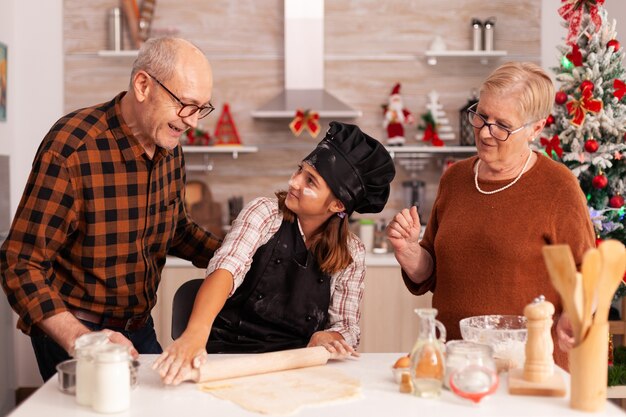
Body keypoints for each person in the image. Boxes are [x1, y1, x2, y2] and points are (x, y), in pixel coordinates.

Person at [0, 37, 222, 381]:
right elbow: (20, 262)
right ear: (143, 85)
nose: (192, 122)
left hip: (139, 328)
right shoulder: (72, 148)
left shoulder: (169, 146)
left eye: (201, 108)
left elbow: (175, 228)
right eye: (186, 105)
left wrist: (237, 256)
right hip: (78, 331)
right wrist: (82, 341)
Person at [386, 62, 595, 368]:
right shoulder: (454, 178)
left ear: (535, 128)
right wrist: (409, 251)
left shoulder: (558, 187)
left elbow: (588, 273)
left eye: (502, 125)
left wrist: (575, 313)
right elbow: (431, 274)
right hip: (455, 364)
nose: (485, 133)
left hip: (526, 370)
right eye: (481, 116)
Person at [153, 121, 396, 385]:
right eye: (300, 170)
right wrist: (195, 335)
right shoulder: (265, 213)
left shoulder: (352, 253)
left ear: (337, 204)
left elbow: (347, 326)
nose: (294, 181)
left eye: (310, 180)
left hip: (294, 366)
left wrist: (330, 338)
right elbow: (225, 269)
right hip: (226, 356)